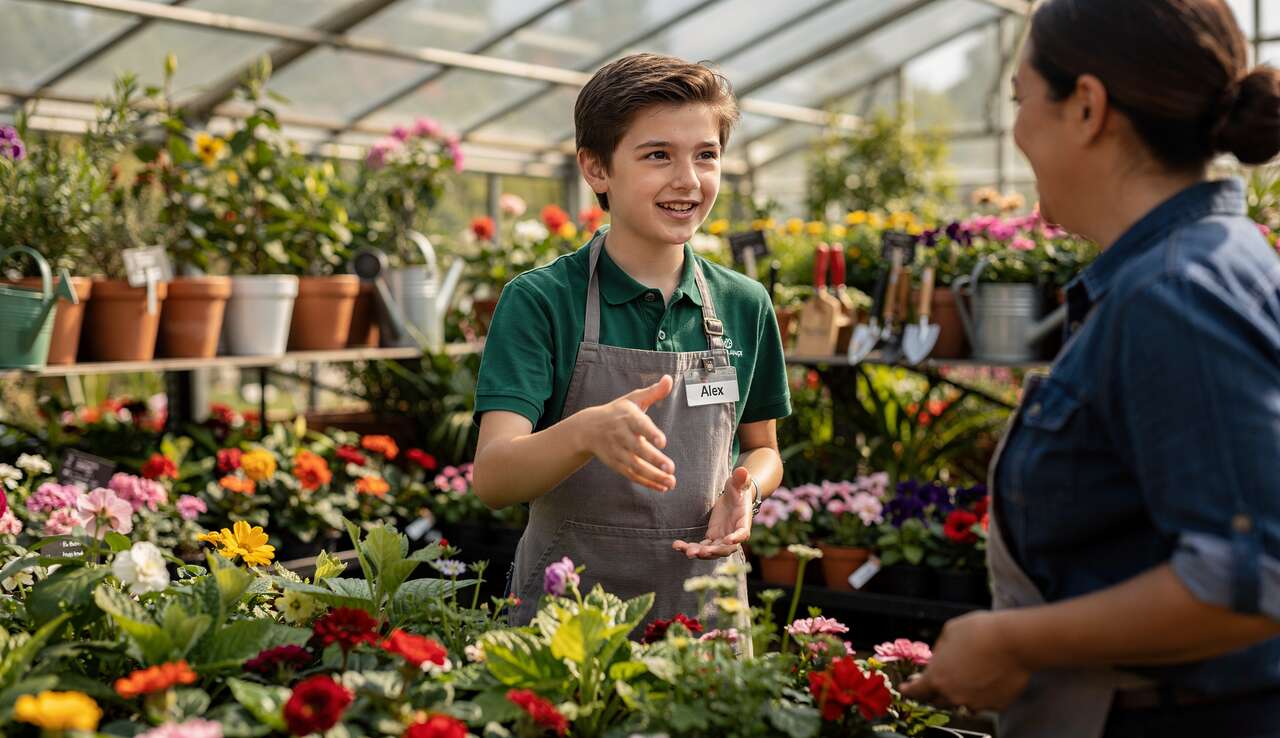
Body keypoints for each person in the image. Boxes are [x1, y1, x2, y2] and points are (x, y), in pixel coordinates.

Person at [901, 1, 1280, 736]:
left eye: (1019, 99)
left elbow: (1249, 576)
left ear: (1085, 107)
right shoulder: (1209, 259)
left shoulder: (1175, 293)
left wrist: (1009, 640)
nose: (1015, 129)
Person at [470, 54, 790, 640]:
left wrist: (747, 489)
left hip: (705, 612)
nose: (688, 180)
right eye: (658, 155)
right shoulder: (543, 301)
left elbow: (763, 450)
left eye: (706, 155)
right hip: (567, 626)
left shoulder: (745, 304)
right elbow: (493, 478)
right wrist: (585, 433)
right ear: (596, 169)